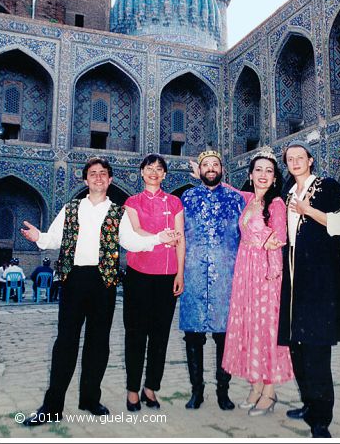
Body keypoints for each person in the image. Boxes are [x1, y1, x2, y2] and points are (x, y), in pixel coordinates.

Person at [20, 156, 178, 427]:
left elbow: (131, 242)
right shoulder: (70, 209)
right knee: (66, 342)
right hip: (74, 279)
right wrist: (39, 238)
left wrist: (156, 239)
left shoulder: (118, 212)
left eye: (103, 173)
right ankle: (52, 405)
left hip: (104, 280)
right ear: (85, 180)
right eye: (93, 173)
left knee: (98, 342)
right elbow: (53, 238)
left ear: (110, 180)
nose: (98, 178)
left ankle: (90, 398)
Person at [278, 140, 340, 439]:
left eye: (300, 157)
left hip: (319, 282)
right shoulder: (287, 194)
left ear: (310, 160)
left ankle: (321, 419)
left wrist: (309, 210)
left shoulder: (327, 188)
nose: (295, 162)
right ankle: (309, 405)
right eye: (290, 158)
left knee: (318, 351)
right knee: (297, 348)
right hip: (294, 282)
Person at [222, 146, 293, 415]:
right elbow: (226, 189)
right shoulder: (247, 199)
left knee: (267, 330)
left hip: (265, 273)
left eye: (269, 171)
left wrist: (273, 272)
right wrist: (205, 172)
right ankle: (254, 385)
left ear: (275, 178)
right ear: (250, 175)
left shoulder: (276, 204)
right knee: (249, 327)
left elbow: (280, 238)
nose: (263, 175)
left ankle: (270, 391)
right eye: (259, 170)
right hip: (245, 272)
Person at [180, 150, 245, 410]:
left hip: (226, 278)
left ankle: (223, 393)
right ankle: (197, 392)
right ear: (200, 170)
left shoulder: (236, 199)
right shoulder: (187, 197)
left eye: (214, 164)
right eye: (205, 165)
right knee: (193, 337)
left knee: (223, 337)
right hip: (194, 275)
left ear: (222, 169)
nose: (210, 168)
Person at [124, 153, 185, 411]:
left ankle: (150, 387)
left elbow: (180, 239)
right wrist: (161, 237)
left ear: (164, 175)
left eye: (159, 169)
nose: (154, 172)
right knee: (136, 334)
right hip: (139, 273)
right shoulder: (132, 202)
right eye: (150, 168)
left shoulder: (174, 202)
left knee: (159, 335)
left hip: (166, 275)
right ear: (142, 172)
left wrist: (180, 274)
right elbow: (136, 231)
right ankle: (132, 390)